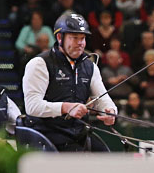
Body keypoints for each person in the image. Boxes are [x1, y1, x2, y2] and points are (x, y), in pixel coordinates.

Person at [22, 14, 117, 151]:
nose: (80, 43)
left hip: (78, 133)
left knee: (107, 159)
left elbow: (102, 99)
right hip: (48, 134)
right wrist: (66, 107)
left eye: (83, 38)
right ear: (60, 38)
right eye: (74, 38)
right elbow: (32, 106)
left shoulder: (90, 67)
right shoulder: (39, 64)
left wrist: (110, 111)